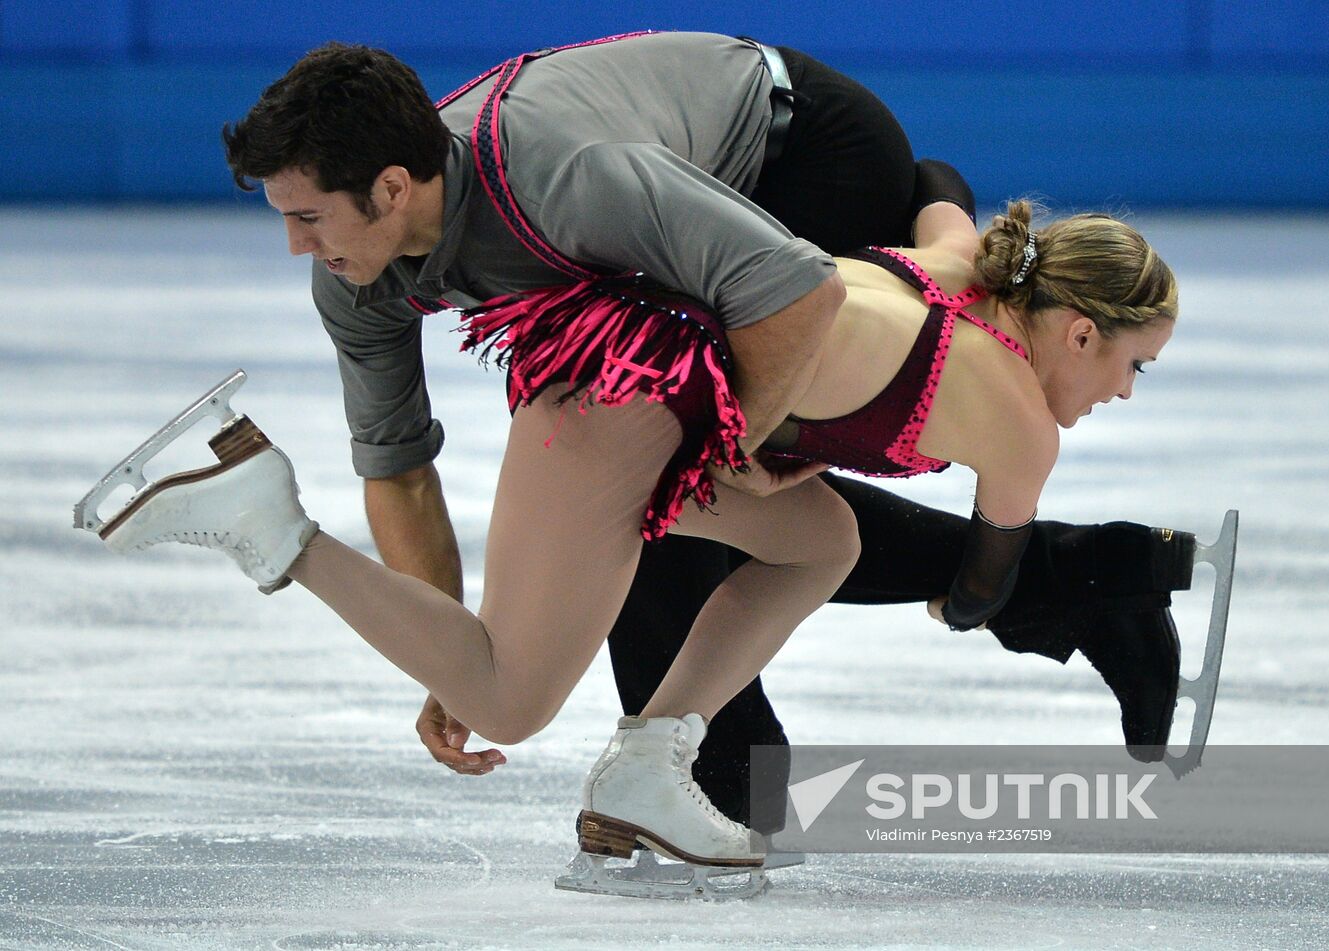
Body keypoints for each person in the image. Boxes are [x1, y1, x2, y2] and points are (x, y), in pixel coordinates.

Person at [213, 34, 1195, 836]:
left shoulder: (567, 182)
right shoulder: (356, 271)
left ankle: (693, 770)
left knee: (709, 503)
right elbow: (399, 467)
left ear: (390, 188)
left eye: (308, 218)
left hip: (795, 152)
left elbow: (794, 290)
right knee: (695, 508)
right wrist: (442, 651)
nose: (298, 246)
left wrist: (730, 451)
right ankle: (697, 764)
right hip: (657, 292)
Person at [89, 189, 1177, 872]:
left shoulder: (957, 265)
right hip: (630, 403)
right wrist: (969, 598)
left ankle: (649, 765)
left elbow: (938, 195)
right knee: (506, 695)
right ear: (1075, 331)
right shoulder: (1022, 433)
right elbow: (987, 585)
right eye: (1131, 367)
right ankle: (270, 521)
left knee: (820, 541)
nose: (1124, 395)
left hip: (638, 369)